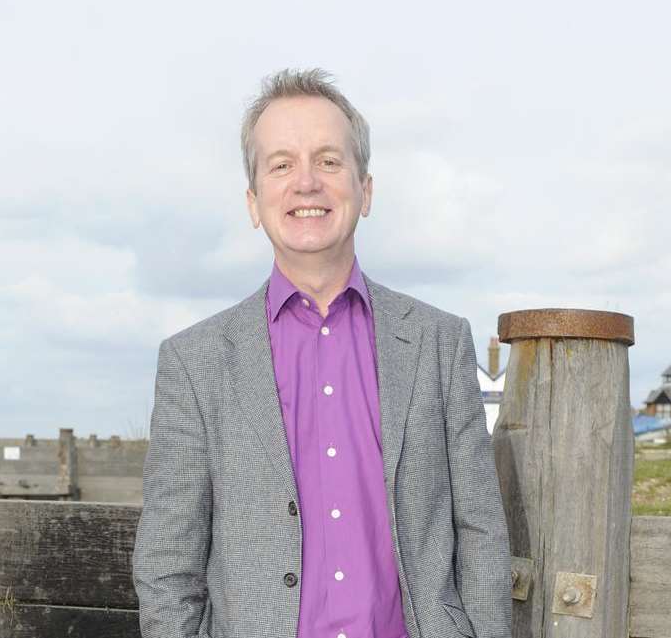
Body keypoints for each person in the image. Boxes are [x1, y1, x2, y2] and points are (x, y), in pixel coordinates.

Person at [132, 69, 512, 638]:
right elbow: (167, 567)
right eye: (281, 164)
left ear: (365, 190)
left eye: (329, 161)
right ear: (254, 201)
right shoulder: (196, 363)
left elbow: (480, 532)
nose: (306, 182)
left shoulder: (438, 342)